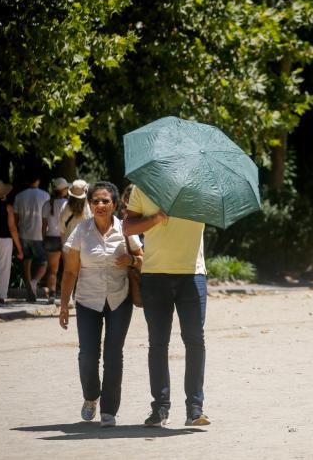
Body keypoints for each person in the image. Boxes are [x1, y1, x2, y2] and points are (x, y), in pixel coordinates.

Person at [123, 184, 211, 428]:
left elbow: (212, 215)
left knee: (195, 340)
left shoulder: (202, 189)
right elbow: (128, 227)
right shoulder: (143, 188)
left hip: (192, 275)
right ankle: (160, 408)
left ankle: (195, 409)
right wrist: (156, 217)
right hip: (154, 274)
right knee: (158, 343)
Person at [59, 181, 143, 428]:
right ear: (89, 204)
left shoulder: (126, 230)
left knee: (113, 355)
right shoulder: (81, 231)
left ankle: (109, 410)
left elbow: (142, 259)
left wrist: (130, 260)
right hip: (87, 301)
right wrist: (64, 305)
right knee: (87, 355)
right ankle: (91, 395)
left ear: (115, 204)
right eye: (95, 201)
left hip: (120, 299)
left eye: (105, 201)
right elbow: (70, 272)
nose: (100, 205)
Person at [14, 173, 50, 302]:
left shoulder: (19, 196)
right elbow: (47, 217)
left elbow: (15, 218)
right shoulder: (45, 195)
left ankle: (29, 288)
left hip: (23, 234)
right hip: (39, 234)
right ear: (38, 180)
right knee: (43, 262)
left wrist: (17, 233)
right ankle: (34, 282)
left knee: (26, 261)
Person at [41, 177, 70, 304]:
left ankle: (51, 295)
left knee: (52, 270)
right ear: (64, 190)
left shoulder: (47, 204)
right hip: (66, 238)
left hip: (51, 237)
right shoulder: (68, 204)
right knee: (68, 269)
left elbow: (43, 225)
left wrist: (43, 239)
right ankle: (66, 295)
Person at [59, 179, 91, 244]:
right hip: (85, 244)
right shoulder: (89, 207)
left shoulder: (65, 206)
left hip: (68, 242)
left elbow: (61, 228)